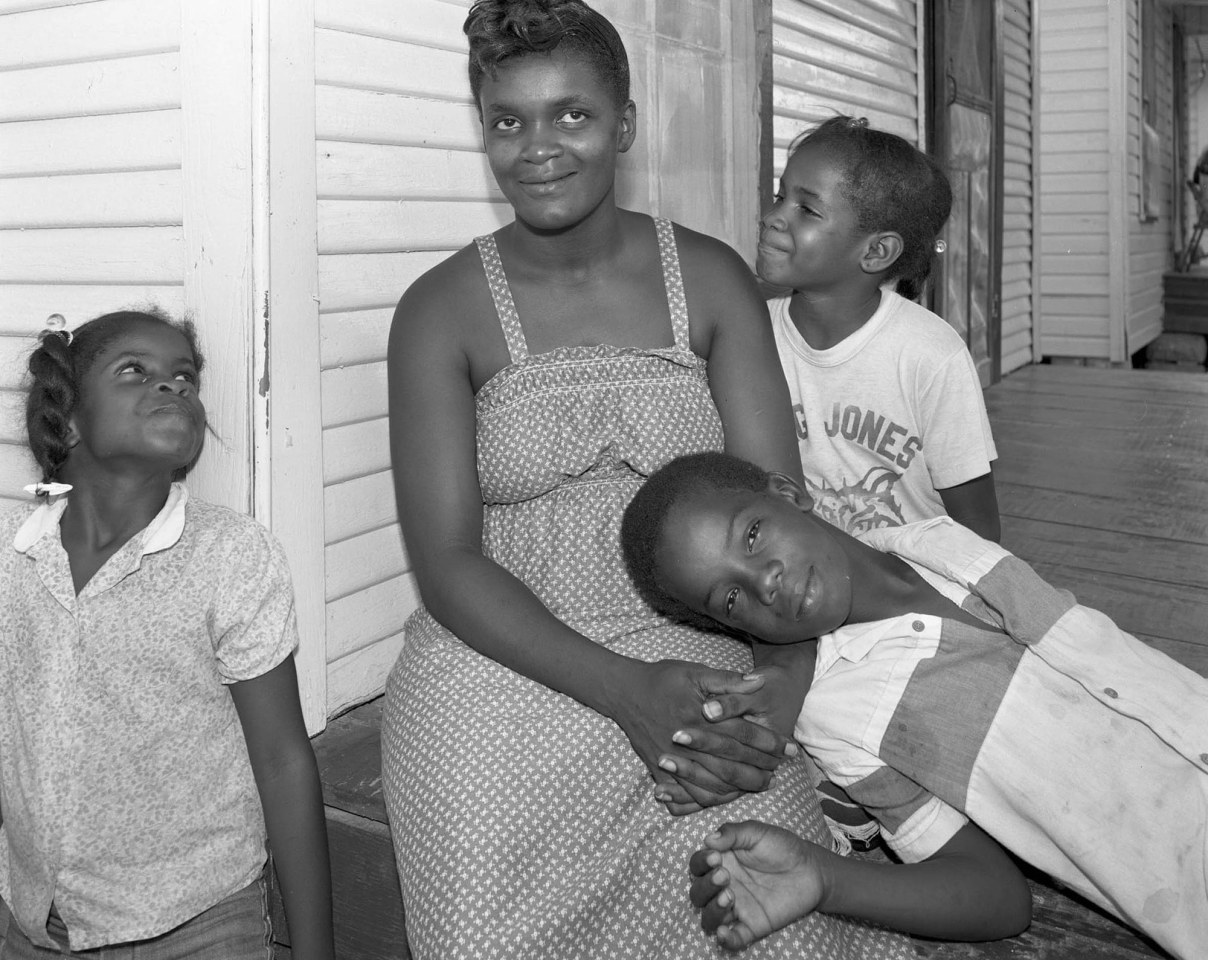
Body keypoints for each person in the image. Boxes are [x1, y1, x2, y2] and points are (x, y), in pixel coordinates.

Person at [379, 2, 911, 958]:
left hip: (707, 633)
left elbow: (783, 518)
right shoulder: (438, 312)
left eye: (571, 114)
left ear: (624, 124)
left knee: (776, 922)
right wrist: (626, 692)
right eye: (508, 120)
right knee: (483, 923)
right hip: (504, 656)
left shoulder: (708, 281)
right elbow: (449, 565)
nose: (538, 147)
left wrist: (778, 692)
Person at [620, 451, 1208, 960]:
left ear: (789, 493)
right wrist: (824, 878)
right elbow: (998, 898)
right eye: (729, 597)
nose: (763, 582)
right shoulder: (841, 711)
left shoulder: (938, 541)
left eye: (751, 537)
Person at [0, 310, 334, 959]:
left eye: (184, 376)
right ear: (68, 417)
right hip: (34, 922)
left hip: (199, 923)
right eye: (136, 371)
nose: (173, 386)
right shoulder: (12, 557)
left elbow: (283, 762)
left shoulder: (233, 556)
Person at [759, 116, 999, 540]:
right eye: (779, 198)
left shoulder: (930, 355)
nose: (772, 218)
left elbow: (979, 531)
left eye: (807, 210)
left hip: (913, 581)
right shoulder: (752, 330)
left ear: (876, 251)